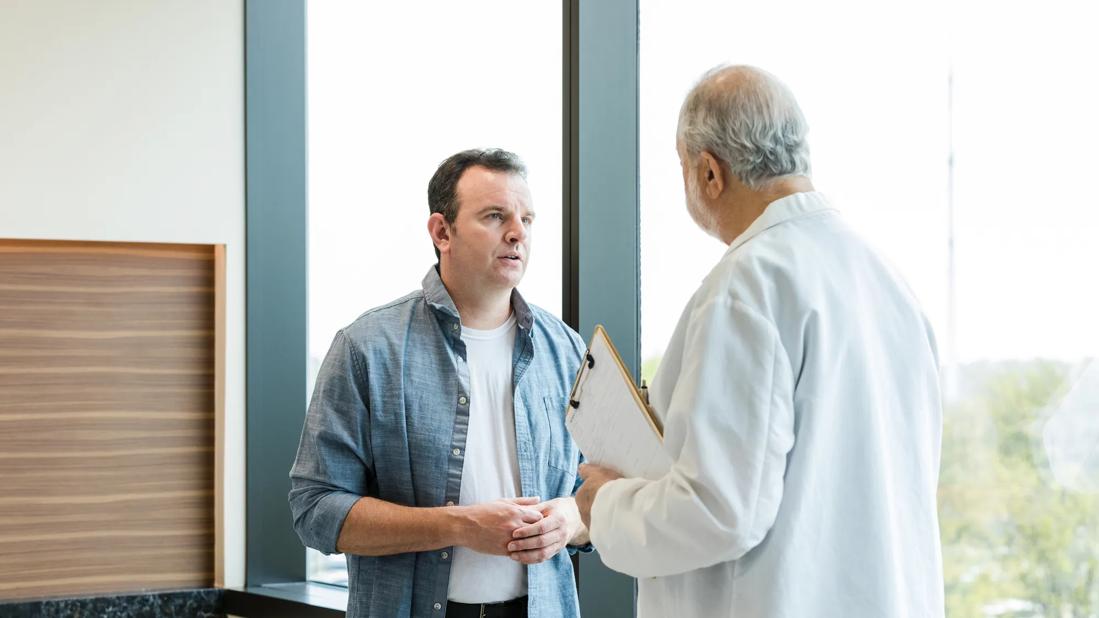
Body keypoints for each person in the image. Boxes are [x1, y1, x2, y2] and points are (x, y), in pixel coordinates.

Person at [576, 65, 945, 617]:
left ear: (709, 173)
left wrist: (603, 504)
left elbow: (720, 511)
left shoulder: (747, 285)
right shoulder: (885, 279)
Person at [290, 148, 590, 618]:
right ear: (441, 231)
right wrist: (459, 525)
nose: (518, 233)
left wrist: (573, 518)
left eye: (527, 219)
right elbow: (316, 510)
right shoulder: (366, 347)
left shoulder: (567, 350)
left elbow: (601, 490)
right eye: (495, 216)